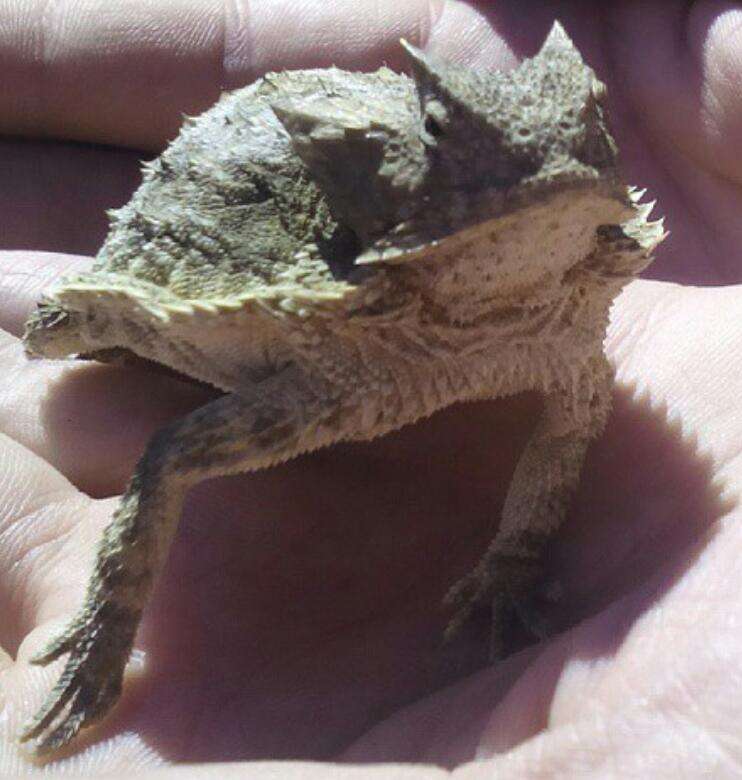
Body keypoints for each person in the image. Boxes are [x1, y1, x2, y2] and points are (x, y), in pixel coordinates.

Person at [1, 0, 741, 775]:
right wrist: (108, 632)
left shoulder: (564, 313)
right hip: (249, 233)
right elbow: (172, 457)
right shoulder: (353, 348)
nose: (553, 177)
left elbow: (568, 428)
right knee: (63, 332)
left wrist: (514, 558)